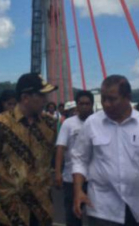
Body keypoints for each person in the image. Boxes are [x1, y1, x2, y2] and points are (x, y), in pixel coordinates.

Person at [72, 75, 139, 226]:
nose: (106, 104)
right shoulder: (92, 124)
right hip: (102, 208)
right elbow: (79, 159)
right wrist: (78, 190)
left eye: (112, 99)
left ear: (128, 97)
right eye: (103, 99)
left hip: (138, 209)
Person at [0, 73, 58, 226]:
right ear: (26, 97)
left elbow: (48, 158)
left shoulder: (50, 125)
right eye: (41, 95)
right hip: (8, 209)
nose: (46, 100)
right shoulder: (0, 124)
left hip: (40, 209)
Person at [55, 93, 94, 226]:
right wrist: (58, 172)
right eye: (81, 104)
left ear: (92, 105)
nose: (84, 107)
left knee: (96, 217)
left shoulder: (99, 123)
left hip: (94, 179)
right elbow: (60, 147)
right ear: (77, 105)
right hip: (70, 178)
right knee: (73, 216)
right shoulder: (68, 123)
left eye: (87, 104)